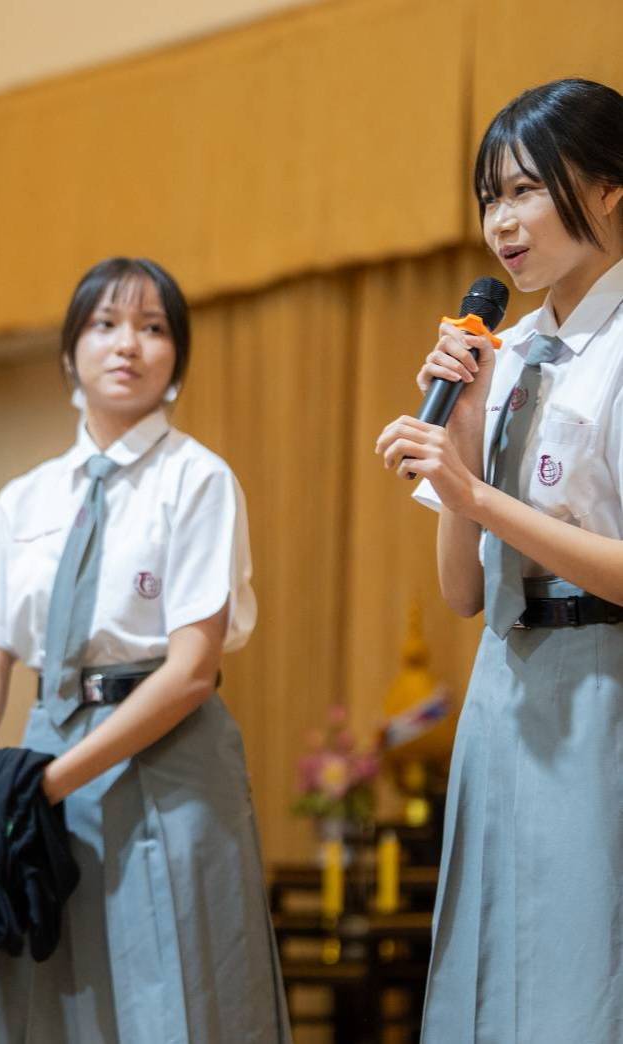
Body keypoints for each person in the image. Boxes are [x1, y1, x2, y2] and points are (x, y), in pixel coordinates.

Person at [0, 257, 292, 1043]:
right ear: (70, 354)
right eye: (105, 324)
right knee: (48, 1003)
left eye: (152, 328)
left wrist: (49, 786)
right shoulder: (24, 497)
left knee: (180, 998)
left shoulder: (198, 479)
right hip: (45, 752)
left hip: (168, 759)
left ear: (176, 361)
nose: (127, 344)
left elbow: (192, 672)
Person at [376, 78, 623, 1043]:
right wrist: (465, 443)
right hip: (506, 685)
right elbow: (462, 592)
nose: (502, 224)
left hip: (604, 685)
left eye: (525, 190)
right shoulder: (504, 349)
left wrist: (478, 499)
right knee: (492, 968)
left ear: (608, 187)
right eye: (490, 199)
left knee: (587, 974)